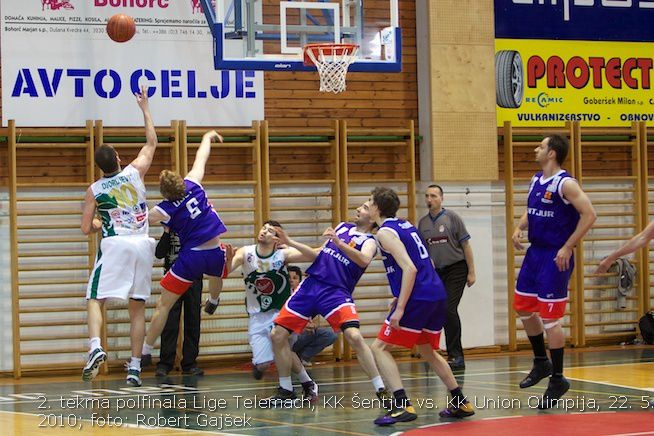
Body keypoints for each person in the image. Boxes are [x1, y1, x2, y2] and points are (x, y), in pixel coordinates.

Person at [368, 187, 475, 426]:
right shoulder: (406, 225)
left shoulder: (384, 233)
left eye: (369, 201)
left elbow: (410, 268)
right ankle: (460, 401)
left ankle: (401, 405)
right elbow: (418, 262)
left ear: (376, 207)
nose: (367, 205)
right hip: (435, 292)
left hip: (418, 295)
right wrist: (399, 297)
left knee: (379, 348)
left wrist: (401, 307)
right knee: (427, 349)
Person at [270, 202, 389, 402]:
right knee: (277, 335)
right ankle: (286, 390)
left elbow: (364, 260)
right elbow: (319, 253)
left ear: (374, 216)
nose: (359, 209)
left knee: (354, 336)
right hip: (311, 286)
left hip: (336, 292)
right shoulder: (342, 227)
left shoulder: (371, 241)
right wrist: (290, 243)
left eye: (365, 207)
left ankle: (381, 389)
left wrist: (340, 243)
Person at [512, 134, 596, 408]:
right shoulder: (536, 179)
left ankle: (558, 377)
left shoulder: (566, 184)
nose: (536, 149)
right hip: (535, 253)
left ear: (552, 153)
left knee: (551, 321)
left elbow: (590, 214)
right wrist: (519, 227)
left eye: (541, 146)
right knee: (523, 307)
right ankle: (540, 362)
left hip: (555, 255)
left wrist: (568, 246)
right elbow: (533, 210)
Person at [81, 85, 157, 387]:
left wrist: (99, 223)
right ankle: (135, 367)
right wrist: (144, 107)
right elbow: (152, 141)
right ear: (119, 158)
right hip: (142, 244)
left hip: (116, 245)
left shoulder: (95, 190)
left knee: (93, 297)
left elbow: (86, 228)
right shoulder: (136, 171)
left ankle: (96, 345)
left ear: (100, 166)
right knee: (136, 308)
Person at [142, 130, 229, 370]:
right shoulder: (194, 182)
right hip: (213, 249)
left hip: (191, 257)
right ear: (181, 181)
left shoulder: (165, 208)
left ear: (164, 193)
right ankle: (213, 299)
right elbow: (201, 157)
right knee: (218, 273)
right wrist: (206, 137)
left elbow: (142, 219)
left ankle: (145, 351)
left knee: (164, 306)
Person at [216, 221, 318, 399]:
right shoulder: (246, 252)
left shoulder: (282, 255)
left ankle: (287, 390)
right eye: (264, 228)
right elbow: (223, 272)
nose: (264, 231)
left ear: (277, 239)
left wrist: (291, 241)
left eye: (270, 231)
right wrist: (227, 260)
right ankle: (307, 383)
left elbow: (314, 256)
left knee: (281, 343)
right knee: (264, 363)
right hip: (257, 315)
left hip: (282, 312)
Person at [418, 184, 475, 370]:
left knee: (449, 309)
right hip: (436, 273)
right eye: (427, 196)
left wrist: (471, 271)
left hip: (456, 269)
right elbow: (423, 253)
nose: (429, 199)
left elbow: (466, 245)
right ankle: (432, 352)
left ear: (442, 198)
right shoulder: (423, 223)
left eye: (433, 196)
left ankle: (456, 355)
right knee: (434, 310)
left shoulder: (452, 218)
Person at [154, 228, 204, 377]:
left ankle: (189, 363)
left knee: (193, 320)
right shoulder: (171, 228)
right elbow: (159, 253)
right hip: (172, 277)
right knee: (169, 321)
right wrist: (167, 232)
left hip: (193, 277)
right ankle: (165, 363)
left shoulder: (197, 227)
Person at [287, 265, 338, 367]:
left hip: (302, 334)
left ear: (299, 281)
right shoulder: (282, 297)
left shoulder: (305, 295)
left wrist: (311, 324)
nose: (291, 281)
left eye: (295, 278)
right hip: (288, 335)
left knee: (331, 334)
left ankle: (303, 357)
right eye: (289, 278)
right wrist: (304, 326)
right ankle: (288, 356)